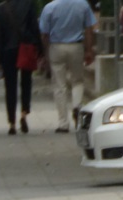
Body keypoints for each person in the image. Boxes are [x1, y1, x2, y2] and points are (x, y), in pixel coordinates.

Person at [38, 0, 96, 132]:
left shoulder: (50, 7)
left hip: (56, 46)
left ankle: (63, 123)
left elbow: (45, 34)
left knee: (59, 85)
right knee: (77, 81)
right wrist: (89, 50)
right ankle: (77, 105)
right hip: (76, 46)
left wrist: (45, 54)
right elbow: (88, 29)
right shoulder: (83, 5)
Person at [0, 0, 41, 134]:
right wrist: (39, 48)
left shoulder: (0, 8)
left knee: (10, 87)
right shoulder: (29, 4)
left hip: (8, 51)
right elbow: (34, 27)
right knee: (26, 83)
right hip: (25, 48)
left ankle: (12, 123)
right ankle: (24, 114)